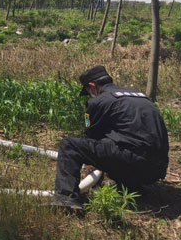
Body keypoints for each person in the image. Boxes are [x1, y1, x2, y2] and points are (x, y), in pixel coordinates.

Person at [53, 65, 169, 210]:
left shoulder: (98, 101)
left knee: (69, 145)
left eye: (88, 91)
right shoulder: (140, 95)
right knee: (121, 143)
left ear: (92, 86)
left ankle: (66, 199)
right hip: (157, 169)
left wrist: (91, 167)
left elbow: (91, 138)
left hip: (132, 161)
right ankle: (131, 186)